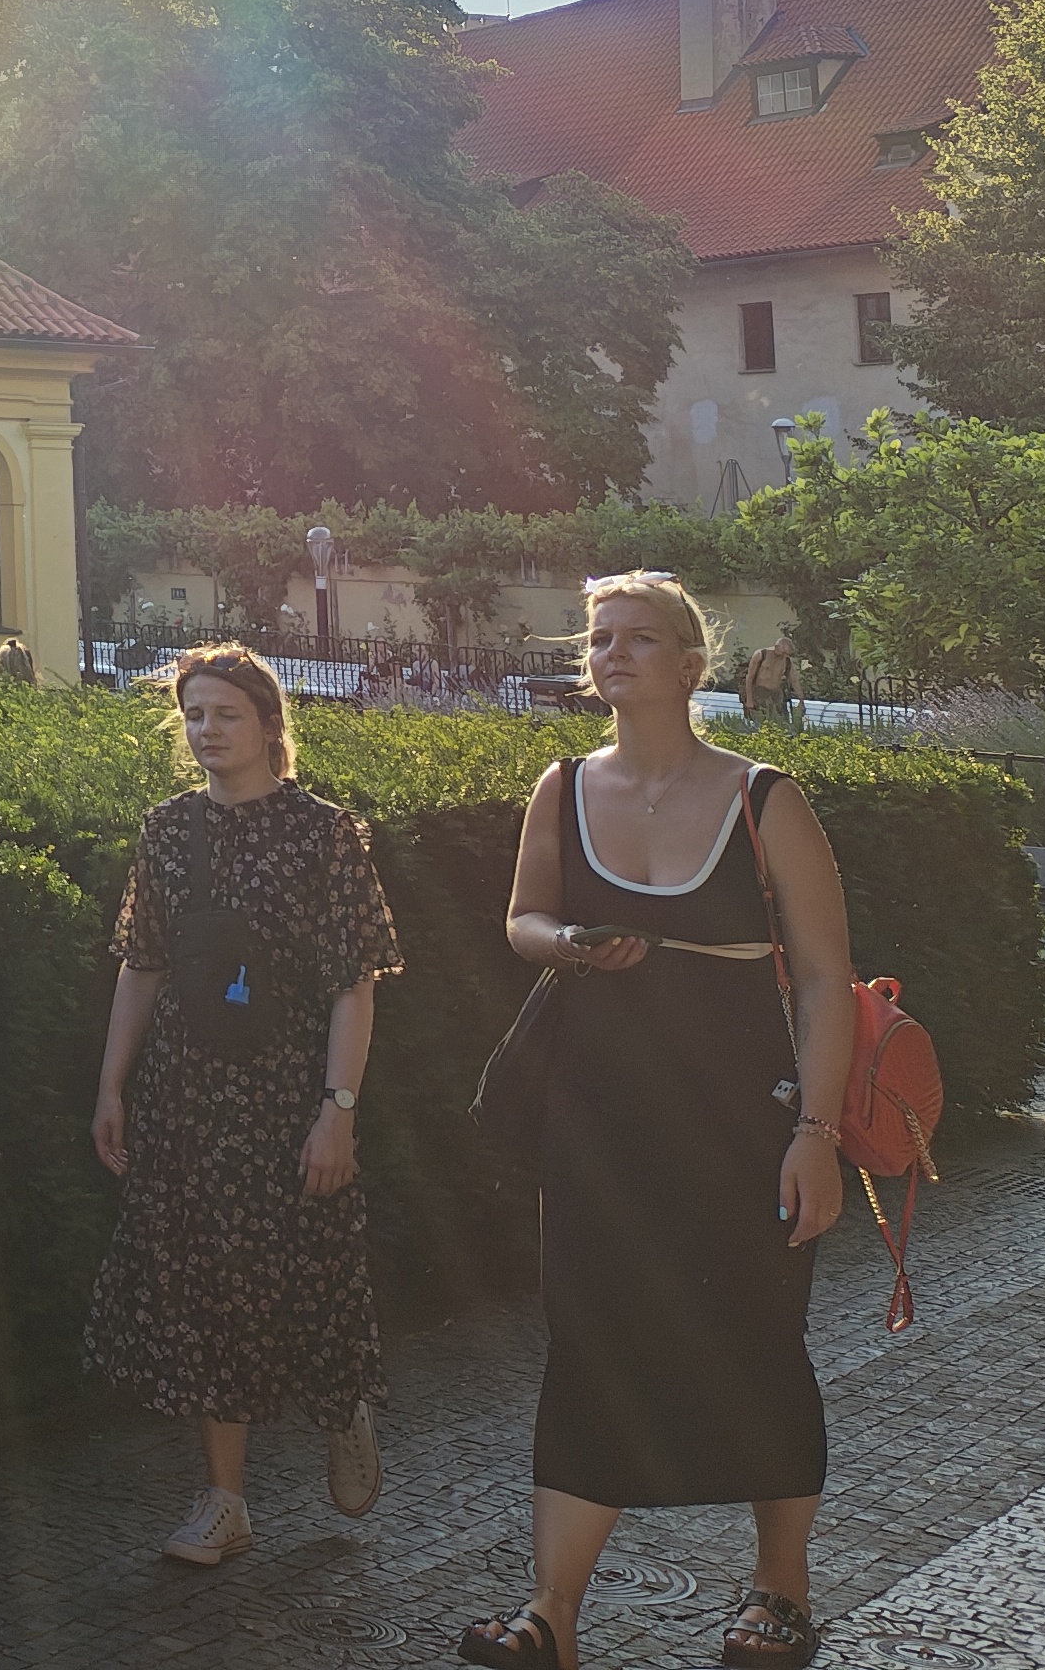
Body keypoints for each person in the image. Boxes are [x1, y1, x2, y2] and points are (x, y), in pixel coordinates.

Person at [458, 573, 856, 1670]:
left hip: (741, 1117)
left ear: (691, 665)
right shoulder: (560, 786)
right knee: (587, 1346)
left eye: (640, 637)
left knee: (756, 1342)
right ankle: (552, 1614)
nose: (614, 653)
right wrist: (566, 944)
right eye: (601, 638)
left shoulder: (763, 798)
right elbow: (523, 918)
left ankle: (780, 1592)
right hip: (595, 1116)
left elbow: (826, 979)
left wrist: (817, 1134)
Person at [86, 644, 398, 1564]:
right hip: (189, 1097)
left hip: (290, 1093)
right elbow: (142, 963)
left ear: (268, 725)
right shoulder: (166, 831)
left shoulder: (324, 834)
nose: (207, 731)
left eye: (225, 714)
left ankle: (341, 1405)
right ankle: (226, 1500)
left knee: (309, 1277)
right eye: (194, 715)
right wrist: (111, 1085)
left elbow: (353, 983)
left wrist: (338, 1108)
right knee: (207, 1291)